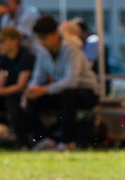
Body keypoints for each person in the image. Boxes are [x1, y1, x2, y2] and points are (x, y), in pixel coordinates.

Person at [25, 15, 98, 151]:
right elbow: (37, 77)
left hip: (87, 92)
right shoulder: (43, 52)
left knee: (68, 95)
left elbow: (72, 81)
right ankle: (43, 139)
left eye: (44, 38)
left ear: (54, 34)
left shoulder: (72, 48)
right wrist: (31, 90)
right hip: (61, 91)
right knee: (30, 99)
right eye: (39, 38)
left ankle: (66, 142)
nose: (42, 42)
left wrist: (44, 90)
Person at [0, 27, 33, 149]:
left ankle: (23, 143)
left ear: (14, 41)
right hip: (9, 94)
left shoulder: (25, 57)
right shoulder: (4, 58)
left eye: (2, 42)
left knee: (12, 100)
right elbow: (0, 81)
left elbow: (21, 86)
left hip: (25, 95)